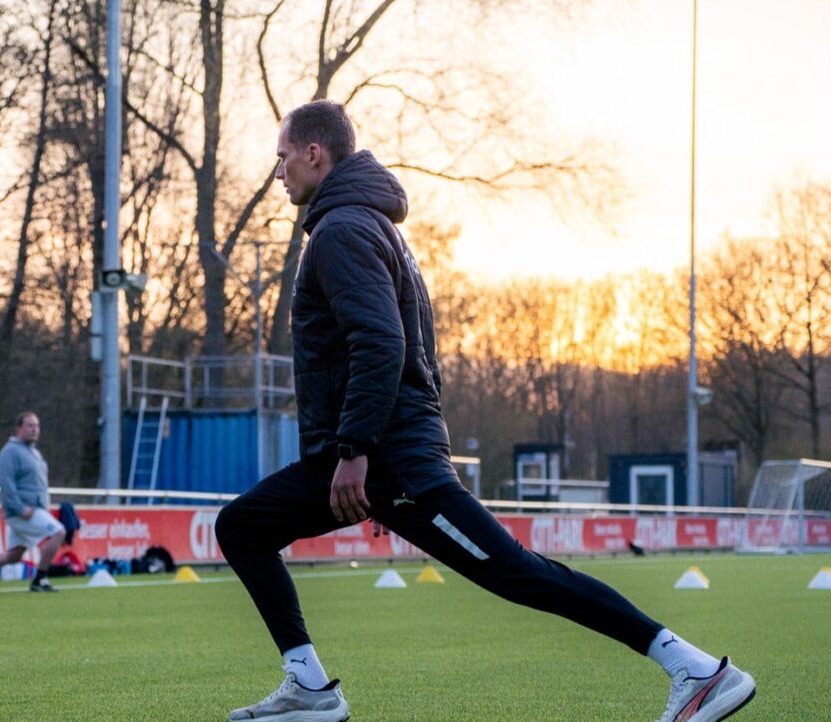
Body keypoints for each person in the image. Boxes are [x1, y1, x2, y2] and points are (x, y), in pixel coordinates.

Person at [215, 100, 755, 722]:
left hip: (388, 460)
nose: (277, 171)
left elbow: (383, 344)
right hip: (386, 462)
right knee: (244, 527)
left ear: (315, 153)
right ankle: (308, 687)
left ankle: (695, 669)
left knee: (517, 573)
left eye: (282, 156)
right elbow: (411, 351)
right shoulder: (368, 225)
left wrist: (359, 450)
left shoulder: (342, 230)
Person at [0, 412, 65, 592]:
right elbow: (6, 485)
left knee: (14, 556)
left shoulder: (34, 453)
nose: (34, 429)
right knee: (59, 532)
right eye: (30, 425)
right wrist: (20, 508)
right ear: (18, 428)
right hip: (24, 511)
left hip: (34, 509)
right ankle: (40, 578)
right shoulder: (10, 452)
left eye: (37, 426)